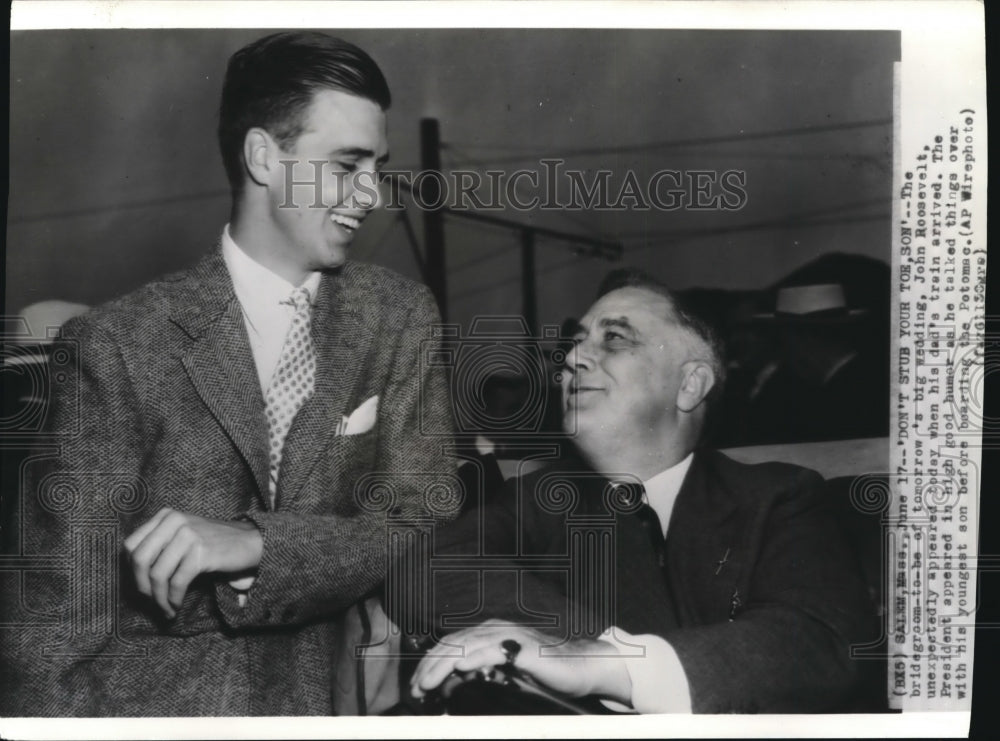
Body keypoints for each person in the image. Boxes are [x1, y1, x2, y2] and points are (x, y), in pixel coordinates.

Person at [0, 32, 455, 716]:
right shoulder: (118, 343)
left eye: (377, 165)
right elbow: (52, 630)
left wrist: (255, 545)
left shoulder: (397, 318)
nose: (372, 192)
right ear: (263, 158)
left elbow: (421, 522)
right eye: (346, 164)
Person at [395, 268, 874, 714]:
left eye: (615, 339)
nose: (573, 358)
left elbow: (820, 640)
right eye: (576, 344)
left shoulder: (779, 496)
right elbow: (424, 569)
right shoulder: (540, 498)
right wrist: (585, 642)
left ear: (690, 385)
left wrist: (607, 663)